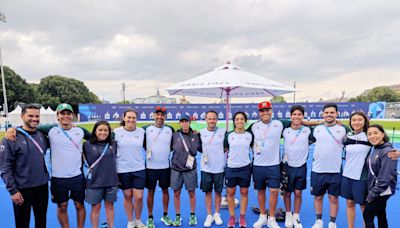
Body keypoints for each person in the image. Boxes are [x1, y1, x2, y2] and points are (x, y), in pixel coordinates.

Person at [0, 104, 49, 228]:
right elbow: (5, 166)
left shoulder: (42, 136)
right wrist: (13, 191)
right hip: (22, 189)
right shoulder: (11, 138)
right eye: (30, 116)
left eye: (37, 116)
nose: (34, 119)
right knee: (22, 223)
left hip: (42, 187)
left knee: (41, 221)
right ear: (22, 116)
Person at [248, 101, 290, 228]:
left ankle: (271, 218)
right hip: (258, 166)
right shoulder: (254, 126)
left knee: (274, 191)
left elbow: (298, 122)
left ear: (271, 111)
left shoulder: (279, 123)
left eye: (267, 110)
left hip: (274, 165)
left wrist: (321, 123)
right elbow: (244, 136)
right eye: (262, 110)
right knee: (260, 191)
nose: (265, 113)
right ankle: (262, 217)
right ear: (259, 113)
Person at [311, 103, 348, 228]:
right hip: (318, 170)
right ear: (322, 114)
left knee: (334, 199)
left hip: (335, 170)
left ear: (337, 114)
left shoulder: (344, 129)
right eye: (326, 112)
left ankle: (332, 222)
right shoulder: (316, 129)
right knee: (318, 197)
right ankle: (319, 221)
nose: (329, 115)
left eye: (332, 112)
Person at [143, 106, 175, 228]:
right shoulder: (146, 129)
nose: (159, 117)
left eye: (162, 115)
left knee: (165, 191)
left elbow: (173, 144)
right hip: (150, 167)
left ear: (165, 117)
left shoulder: (170, 129)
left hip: (165, 167)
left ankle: (165, 215)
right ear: (153, 115)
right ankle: (150, 217)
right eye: (157, 115)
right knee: (150, 192)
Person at [114, 109, 146, 228]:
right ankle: (130, 221)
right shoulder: (116, 132)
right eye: (129, 117)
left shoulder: (142, 131)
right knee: (127, 196)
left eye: (133, 118)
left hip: (139, 168)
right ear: (124, 118)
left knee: (139, 197)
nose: (131, 120)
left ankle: (138, 219)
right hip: (122, 169)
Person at [83, 120, 118, 228]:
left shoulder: (113, 144)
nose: (103, 132)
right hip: (94, 182)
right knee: (95, 207)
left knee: (110, 206)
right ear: (95, 131)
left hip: (111, 181)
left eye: (105, 130)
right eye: (100, 130)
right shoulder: (87, 145)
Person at [282, 105, 312, 228]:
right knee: (287, 193)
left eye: (299, 114)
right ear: (290, 116)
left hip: (301, 167)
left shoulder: (308, 131)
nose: (297, 117)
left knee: (298, 193)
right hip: (287, 166)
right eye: (294, 114)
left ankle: (296, 216)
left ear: (303, 116)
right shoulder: (284, 130)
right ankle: (288, 214)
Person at [340, 112, 371, 228]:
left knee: (363, 206)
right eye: (354, 120)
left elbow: (384, 146)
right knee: (349, 203)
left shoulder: (369, 135)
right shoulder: (347, 136)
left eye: (359, 120)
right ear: (350, 122)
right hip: (347, 175)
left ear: (365, 122)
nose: (356, 122)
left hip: (362, 176)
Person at [363, 124, 397, 228]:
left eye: (376, 133)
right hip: (378, 189)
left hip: (381, 190)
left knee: (367, 215)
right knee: (381, 214)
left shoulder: (387, 151)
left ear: (383, 134)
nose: (372, 136)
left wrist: (372, 194)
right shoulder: (376, 148)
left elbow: (385, 178)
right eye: (369, 134)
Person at [170, 114, 202, 226]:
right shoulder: (174, 135)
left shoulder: (196, 135)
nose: (184, 123)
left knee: (192, 193)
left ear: (190, 122)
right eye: (182, 121)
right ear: (179, 123)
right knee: (176, 193)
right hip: (176, 169)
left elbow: (203, 149)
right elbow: (167, 149)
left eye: (186, 121)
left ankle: (192, 215)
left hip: (190, 169)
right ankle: (177, 216)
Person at [225, 111, 253, 228]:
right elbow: (224, 149)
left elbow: (255, 148)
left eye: (242, 119)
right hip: (231, 168)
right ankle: (232, 217)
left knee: (244, 192)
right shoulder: (229, 135)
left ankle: (242, 216)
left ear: (245, 121)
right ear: (234, 121)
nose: (239, 121)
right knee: (230, 193)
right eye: (237, 119)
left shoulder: (250, 135)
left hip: (245, 168)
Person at [199, 111, 226, 227]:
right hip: (206, 168)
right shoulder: (201, 133)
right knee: (208, 192)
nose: (212, 121)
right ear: (206, 119)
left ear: (217, 120)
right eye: (209, 119)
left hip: (219, 168)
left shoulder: (223, 132)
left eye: (214, 119)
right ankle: (209, 214)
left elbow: (226, 148)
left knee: (218, 192)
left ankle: (217, 213)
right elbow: (199, 148)